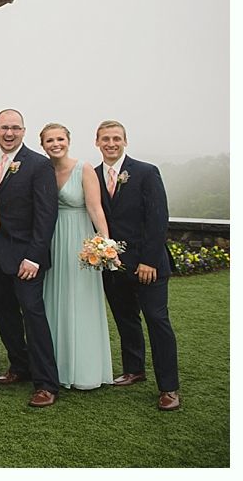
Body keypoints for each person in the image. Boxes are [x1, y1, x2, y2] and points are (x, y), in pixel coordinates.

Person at [95, 120, 180, 410]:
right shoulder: (93, 176)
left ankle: (169, 388)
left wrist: (148, 260)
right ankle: (134, 369)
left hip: (148, 265)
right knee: (125, 318)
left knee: (157, 321)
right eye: (105, 138)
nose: (111, 143)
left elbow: (158, 219)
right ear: (97, 143)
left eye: (116, 138)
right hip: (113, 265)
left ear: (125, 141)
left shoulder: (146, 172)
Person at [0, 109, 60, 407]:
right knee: (4, 314)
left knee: (33, 315)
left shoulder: (39, 165)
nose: (9, 133)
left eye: (15, 128)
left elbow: (46, 215)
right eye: (4, 128)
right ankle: (19, 366)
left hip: (26, 257)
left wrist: (34, 257)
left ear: (24, 131)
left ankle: (46, 383)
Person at [40, 123, 113, 390]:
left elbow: (96, 209)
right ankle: (55, 366)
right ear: (43, 145)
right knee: (53, 300)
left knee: (79, 300)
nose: (55, 144)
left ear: (68, 141)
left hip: (78, 241)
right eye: (50, 140)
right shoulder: (43, 169)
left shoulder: (84, 169)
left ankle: (85, 369)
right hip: (52, 240)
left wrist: (105, 244)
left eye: (60, 139)